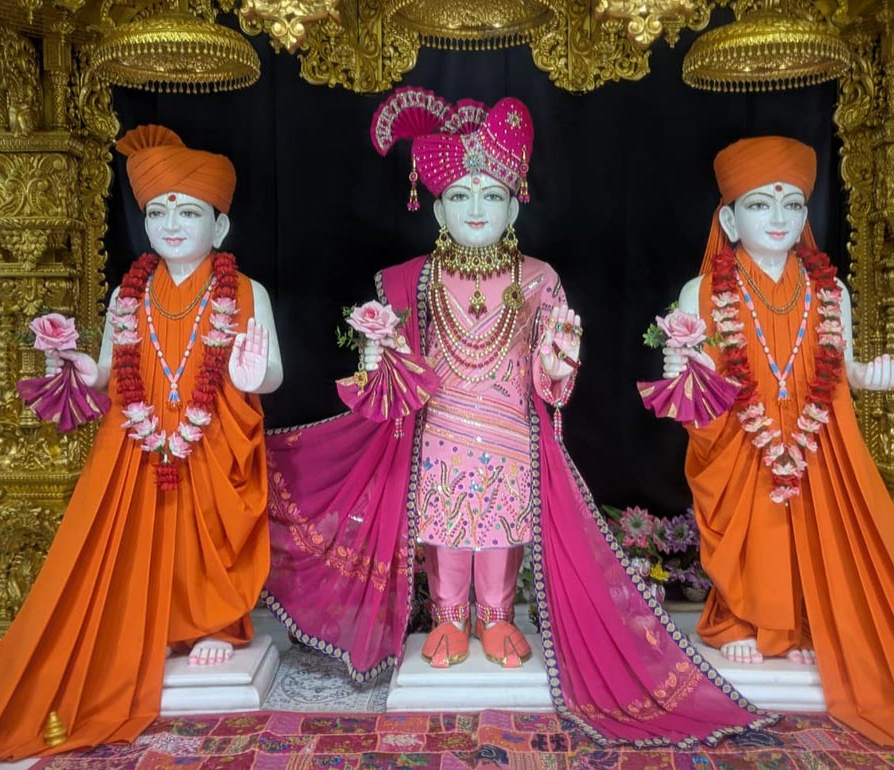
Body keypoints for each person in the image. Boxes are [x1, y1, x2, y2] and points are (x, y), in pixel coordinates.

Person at [263, 87, 775, 747]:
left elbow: (554, 383)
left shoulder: (538, 278)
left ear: (514, 204)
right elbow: (380, 380)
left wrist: (561, 357)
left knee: (502, 526)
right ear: (437, 208)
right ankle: (449, 619)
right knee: (445, 524)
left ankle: (499, 617)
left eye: (492, 195)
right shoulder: (407, 281)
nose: (477, 208)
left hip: (511, 432)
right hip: (437, 429)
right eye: (461, 197)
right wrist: (374, 352)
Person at [662, 135, 894, 759]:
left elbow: (841, 365)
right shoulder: (700, 294)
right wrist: (681, 361)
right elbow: (685, 372)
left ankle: (803, 621)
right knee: (747, 521)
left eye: (792, 203)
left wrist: (869, 375)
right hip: (741, 434)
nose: (780, 218)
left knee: (809, 527)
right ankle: (739, 618)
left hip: (815, 436)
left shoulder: (829, 291)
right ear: (729, 218)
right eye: (761, 205)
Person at [0, 125, 283, 763]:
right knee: (145, 532)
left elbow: (269, 369)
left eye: (190, 211)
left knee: (208, 532)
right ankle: (159, 624)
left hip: (213, 430)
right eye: (158, 212)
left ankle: (212, 622)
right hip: (138, 436)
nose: (172, 224)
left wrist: (257, 377)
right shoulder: (127, 292)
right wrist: (82, 367)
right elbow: (114, 369)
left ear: (220, 229)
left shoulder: (248, 293)